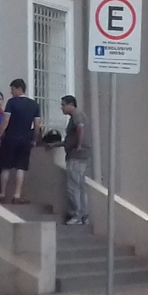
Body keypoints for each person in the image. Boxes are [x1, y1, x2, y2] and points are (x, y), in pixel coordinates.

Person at [0, 78, 43, 203]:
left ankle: (2, 194)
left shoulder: (12, 103)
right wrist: (34, 139)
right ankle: (17, 196)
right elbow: (37, 125)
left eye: (12, 89)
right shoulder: (34, 105)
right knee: (20, 168)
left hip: (10, 138)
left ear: (19, 89)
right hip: (25, 139)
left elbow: (5, 121)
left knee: (6, 167)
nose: (11, 92)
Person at [59, 95, 91, 225]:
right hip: (82, 155)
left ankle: (76, 215)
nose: (61, 107)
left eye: (63, 105)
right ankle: (83, 215)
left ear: (71, 104)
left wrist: (78, 145)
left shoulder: (77, 115)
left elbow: (80, 127)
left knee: (73, 187)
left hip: (76, 156)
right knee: (80, 187)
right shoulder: (80, 115)